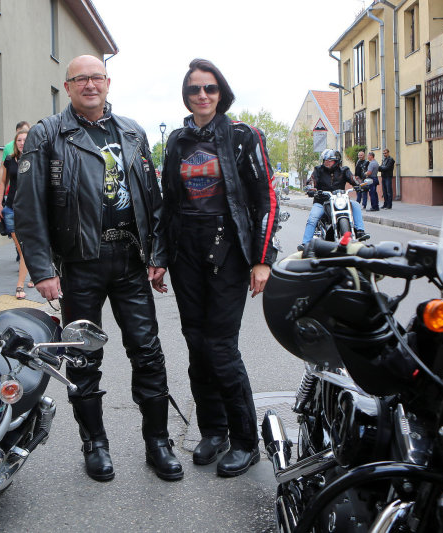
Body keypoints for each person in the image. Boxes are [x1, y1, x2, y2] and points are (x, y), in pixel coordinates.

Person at [15, 54, 182, 482]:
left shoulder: (132, 131)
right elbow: (28, 209)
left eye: (96, 77)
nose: (90, 84)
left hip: (129, 261)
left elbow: (154, 201)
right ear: (67, 87)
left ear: (108, 82)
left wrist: (157, 255)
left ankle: (158, 443)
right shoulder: (47, 134)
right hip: (79, 265)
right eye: (80, 79)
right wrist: (42, 271)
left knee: (148, 353)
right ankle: (95, 445)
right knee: (84, 359)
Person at [160, 58, 279, 477]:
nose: (203, 95)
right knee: (196, 344)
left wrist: (262, 258)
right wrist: (159, 258)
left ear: (221, 92)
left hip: (228, 251)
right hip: (185, 253)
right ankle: (213, 430)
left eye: (210, 88)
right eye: (195, 89)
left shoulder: (243, 136)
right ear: (187, 95)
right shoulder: (176, 140)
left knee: (221, 347)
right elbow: (167, 204)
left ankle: (246, 441)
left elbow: (266, 198)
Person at [300, 149, 368, 249]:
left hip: (340, 200)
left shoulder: (344, 170)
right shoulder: (318, 170)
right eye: (325, 160)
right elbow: (312, 180)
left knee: (356, 205)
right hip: (322, 201)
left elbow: (353, 178)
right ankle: (305, 244)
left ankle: (360, 231)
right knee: (312, 218)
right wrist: (311, 188)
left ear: (336, 161)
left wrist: (361, 184)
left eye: (329, 160)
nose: (326, 162)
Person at [0, 126, 32, 298]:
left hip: (28, 208)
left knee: (24, 248)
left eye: (25, 140)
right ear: (15, 142)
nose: (22, 143)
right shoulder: (9, 160)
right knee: (20, 247)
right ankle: (32, 272)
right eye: (19, 140)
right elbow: (2, 182)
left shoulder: (35, 159)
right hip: (10, 207)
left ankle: (20, 285)